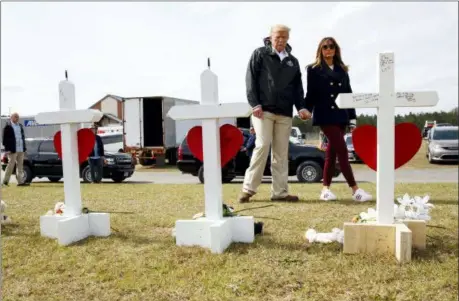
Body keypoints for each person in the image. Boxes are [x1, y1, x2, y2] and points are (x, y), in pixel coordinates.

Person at [238, 24, 310, 203]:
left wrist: (300, 107)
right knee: (262, 146)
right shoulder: (260, 54)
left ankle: (280, 192)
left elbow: (297, 88)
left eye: (284, 38)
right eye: (277, 37)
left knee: (281, 152)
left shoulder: (292, 61)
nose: (281, 41)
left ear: (288, 39)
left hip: (285, 113)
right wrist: (254, 103)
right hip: (263, 111)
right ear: (270, 37)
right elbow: (250, 79)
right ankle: (248, 189)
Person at [302, 37, 372, 202]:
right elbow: (310, 93)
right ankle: (355, 190)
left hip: (341, 116)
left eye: (331, 46)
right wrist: (305, 109)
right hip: (325, 116)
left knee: (331, 154)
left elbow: (349, 94)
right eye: (325, 47)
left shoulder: (342, 69)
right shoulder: (313, 69)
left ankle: (325, 190)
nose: (328, 49)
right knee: (342, 151)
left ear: (335, 49)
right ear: (320, 49)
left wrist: (352, 118)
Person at [2, 112, 29, 186]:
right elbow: (4, 140)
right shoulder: (8, 126)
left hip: (21, 149)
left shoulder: (20, 126)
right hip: (12, 150)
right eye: (15, 117)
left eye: (18, 117)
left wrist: (24, 148)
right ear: (11, 118)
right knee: (10, 165)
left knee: (20, 166)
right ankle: (5, 182)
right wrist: (7, 149)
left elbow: (22, 137)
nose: (17, 118)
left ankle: (20, 182)